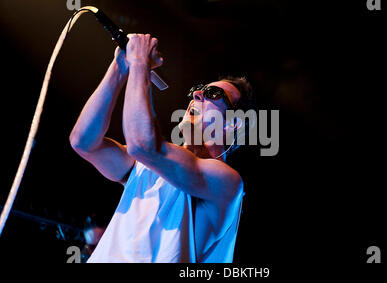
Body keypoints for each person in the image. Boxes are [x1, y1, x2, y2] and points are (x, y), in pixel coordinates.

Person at [69, 33, 253, 262]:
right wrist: (119, 68)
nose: (196, 94)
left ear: (232, 124)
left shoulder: (227, 182)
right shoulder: (146, 166)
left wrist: (140, 64)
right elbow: (84, 142)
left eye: (212, 94)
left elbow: (143, 146)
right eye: (198, 89)